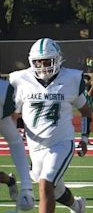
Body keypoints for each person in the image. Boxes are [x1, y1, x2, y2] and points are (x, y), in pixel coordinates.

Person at [11, 38, 91, 213]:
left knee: (46, 184)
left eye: (47, 61)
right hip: (35, 147)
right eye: (38, 62)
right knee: (56, 189)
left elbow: (86, 111)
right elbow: (13, 115)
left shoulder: (71, 78)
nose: (43, 66)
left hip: (61, 142)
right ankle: (77, 206)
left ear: (57, 59)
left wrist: (84, 138)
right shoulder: (20, 80)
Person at [0, 77, 34, 211]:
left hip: (2, 117)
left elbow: (15, 141)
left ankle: (24, 187)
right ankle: (10, 181)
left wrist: (27, 185)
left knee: (14, 139)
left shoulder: (3, 91)